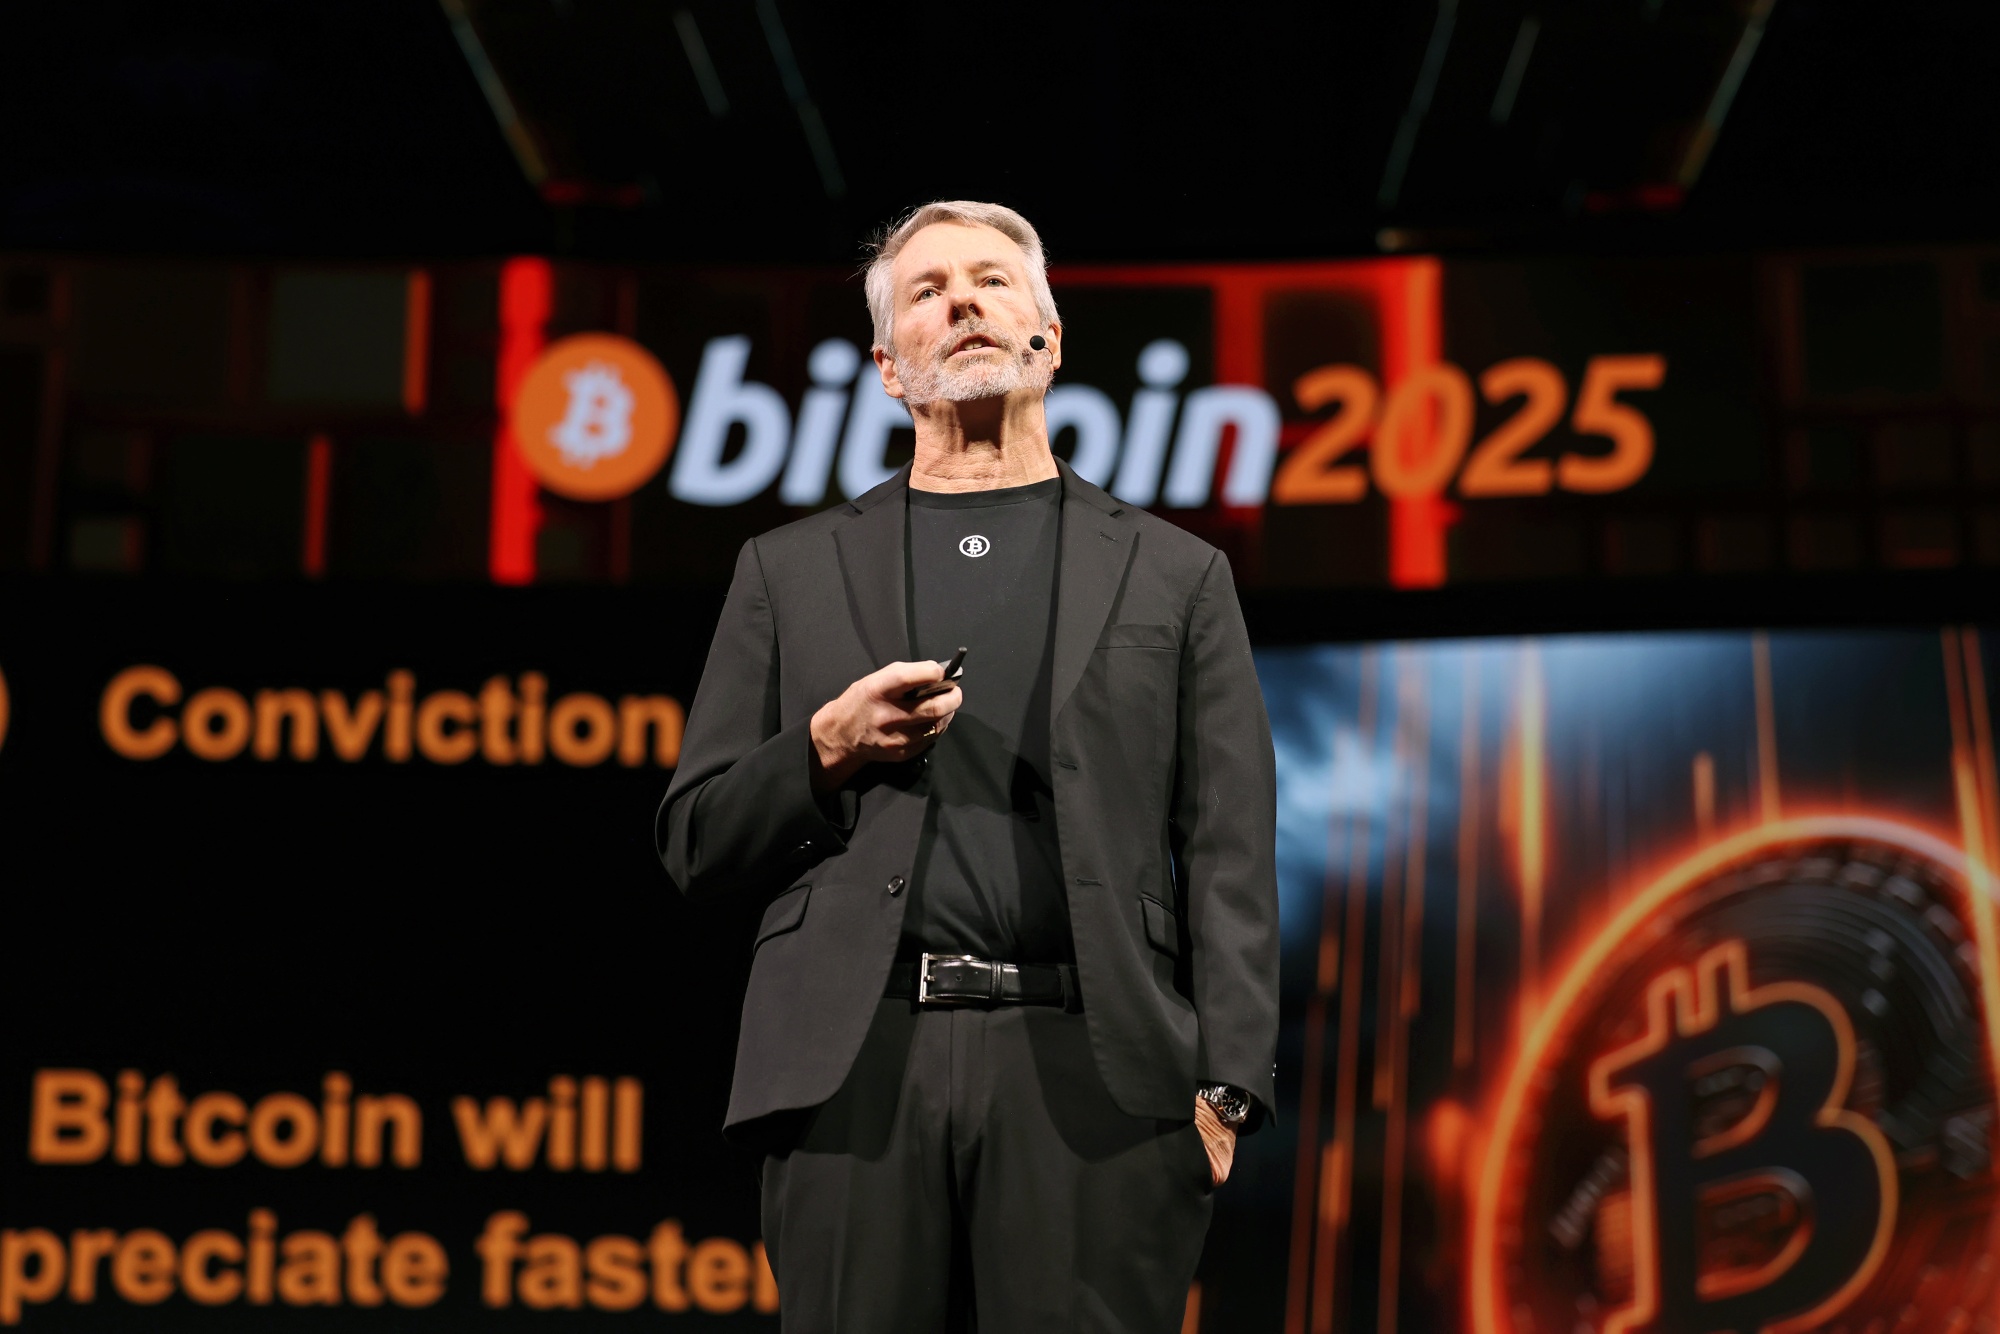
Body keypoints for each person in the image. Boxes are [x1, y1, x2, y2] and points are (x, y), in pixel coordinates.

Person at [657, 200, 1278, 1333]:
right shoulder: (786, 570)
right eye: (928, 290)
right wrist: (823, 749)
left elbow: (1231, 843)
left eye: (991, 282)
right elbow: (695, 836)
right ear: (890, 368)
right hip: (853, 1071)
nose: (962, 304)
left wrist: (1226, 1082)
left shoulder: (1176, 575)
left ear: (1046, 337)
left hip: (1098, 1074)